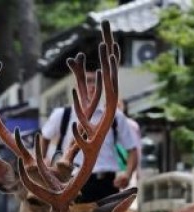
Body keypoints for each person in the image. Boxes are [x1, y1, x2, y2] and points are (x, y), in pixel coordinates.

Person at [39, 66, 139, 203]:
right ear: (77, 85)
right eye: (86, 81)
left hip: (106, 183)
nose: (90, 86)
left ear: (101, 86)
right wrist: (43, 160)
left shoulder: (114, 117)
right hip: (72, 184)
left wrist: (127, 174)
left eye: (94, 81)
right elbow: (44, 137)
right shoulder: (62, 115)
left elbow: (132, 149)